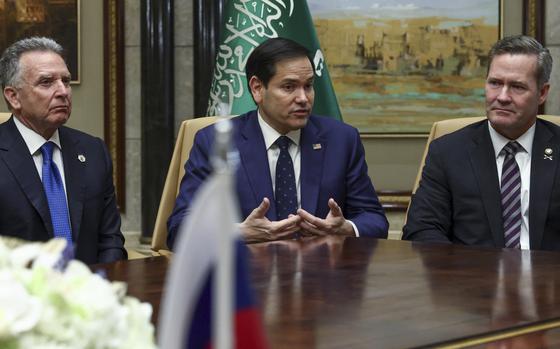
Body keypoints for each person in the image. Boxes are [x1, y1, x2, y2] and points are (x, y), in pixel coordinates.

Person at [167, 37, 388, 249]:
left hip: (322, 279)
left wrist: (345, 228)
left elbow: (375, 220)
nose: (303, 98)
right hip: (247, 279)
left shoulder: (341, 140)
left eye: (308, 86)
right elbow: (179, 229)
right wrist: (240, 232)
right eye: (289, 87)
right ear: (257, 89)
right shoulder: (216, 141)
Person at [403, 35, 558, 250]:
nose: (502, 97)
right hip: (471, 278)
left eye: (517, 87)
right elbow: (421, 230)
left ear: (542, 93)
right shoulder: (448, 152)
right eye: (495, 83)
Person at [0, 37, 127, 263]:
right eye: (46, 82)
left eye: (66, 81)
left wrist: (102, 289)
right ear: (13, 96)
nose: (63, 91)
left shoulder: (93, 151)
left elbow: (110, 242)